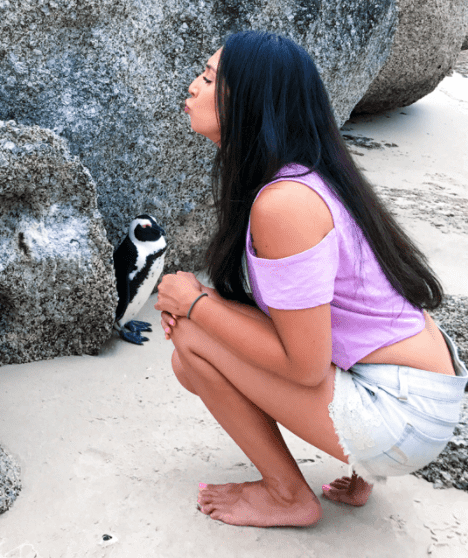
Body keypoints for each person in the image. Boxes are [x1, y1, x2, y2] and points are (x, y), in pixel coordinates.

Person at [154, 30, 468, 528]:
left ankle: (287, 496)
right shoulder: (312, 177)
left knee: (192, 340)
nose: (192, 87)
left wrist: (197, 307)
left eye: (209, 77)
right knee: (207, 330)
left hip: (403, 415)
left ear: (249, 102)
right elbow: (354, 309)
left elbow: (304, 366)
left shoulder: (284, 203)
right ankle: (360, 467)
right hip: (420, 391)